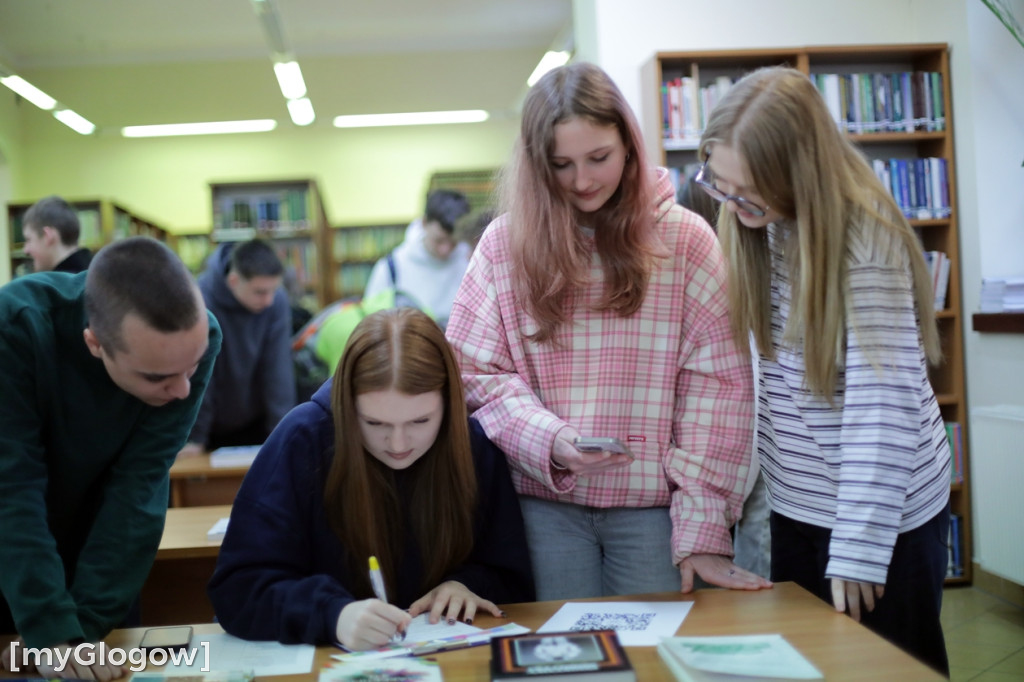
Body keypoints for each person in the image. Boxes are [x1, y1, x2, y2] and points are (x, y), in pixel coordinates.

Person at [445, 61, 771, 601]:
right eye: (561, 165)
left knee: (656, 661)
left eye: (599, 158)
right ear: (536, 165)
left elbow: (718, 394)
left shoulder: (686, 241)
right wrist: (551, 441)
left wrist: (704, 526)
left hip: (656, 510)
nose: (583, 181)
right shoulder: (504, 246)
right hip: (542, 504)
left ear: (629, 145)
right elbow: (473, 374)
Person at [697, 66, 951, 675]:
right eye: (720, 184)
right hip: (802, 501)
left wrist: (860, 549)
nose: (733, 205)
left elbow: (881, 409)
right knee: (812, 663)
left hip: (881, 511)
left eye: (749, 190)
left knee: (891, 664)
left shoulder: (864, 241)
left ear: (799, 172)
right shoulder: (753, 224)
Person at [207, 307, 535, 649]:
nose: (398, 444)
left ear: (448, 403)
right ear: (347, 406)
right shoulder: (302, 439)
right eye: (375, 424)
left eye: (420, 422)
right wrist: (332, 615)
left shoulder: (474, 444)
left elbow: (512, 577)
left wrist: (467, 585)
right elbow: (238, 589)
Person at [0, 236, 221, 680]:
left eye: (191, 367)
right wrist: (51, 630)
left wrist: (81, 630)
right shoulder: (15, 328)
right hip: (15, 558)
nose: (181, 391)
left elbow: (138, 487)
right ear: (94, 343)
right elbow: (12, 491)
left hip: (102, 556)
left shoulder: (195, 338)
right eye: (158, 376)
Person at [180, 238, 296, 457]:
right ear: (234, 281)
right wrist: (195, 437)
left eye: (274, 290)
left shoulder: (276, 301)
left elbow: (278, 371)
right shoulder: (200, 299)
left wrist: (283, 434)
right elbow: (201, 374)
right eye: (260, 292)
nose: (269, 300)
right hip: (209, 426)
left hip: (257, 423)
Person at [362, 188, 472, 328]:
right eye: (439, 241)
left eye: (453, 242)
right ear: (424, 223)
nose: (445, 250)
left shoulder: (471, 262)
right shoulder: (391, 267)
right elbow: (370, 325)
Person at [21, 195, 92, 273]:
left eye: (28, 240)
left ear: (47, 236)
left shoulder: (55, 284)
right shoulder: (97, 274)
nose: (26, 250)